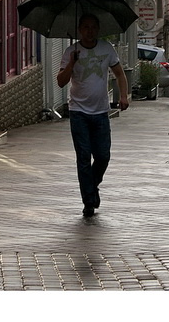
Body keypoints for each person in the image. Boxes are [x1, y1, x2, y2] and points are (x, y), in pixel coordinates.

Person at [57, 13, 130, 217]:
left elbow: (119, 74)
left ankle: (91, 186)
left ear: (98, 29)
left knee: (103, 156)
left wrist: (124, 96)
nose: (90, 31)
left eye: (93, 27)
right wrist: (72, 63)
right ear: (80, 30)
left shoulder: (107, 48)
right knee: (83, 157)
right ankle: (89, 201)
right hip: (78, 112)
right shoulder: (71, 51)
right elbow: (61, 81)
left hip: (100, 112)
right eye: (86, 27)